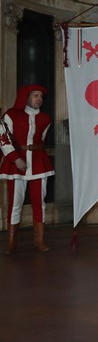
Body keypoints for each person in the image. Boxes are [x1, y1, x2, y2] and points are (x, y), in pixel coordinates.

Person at [0, 84, 55, 254]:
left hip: (39, 163)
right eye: (35, 95)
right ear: (26, 97)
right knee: (15, 204)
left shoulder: (46, 118)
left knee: (40, 203)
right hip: (16, 164)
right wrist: (15, 159)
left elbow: (42, 140)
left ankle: (39, 241)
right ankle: (11, 243)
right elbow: (3, 139)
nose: (39, 99)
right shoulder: (10, 115)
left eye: (41, 96)